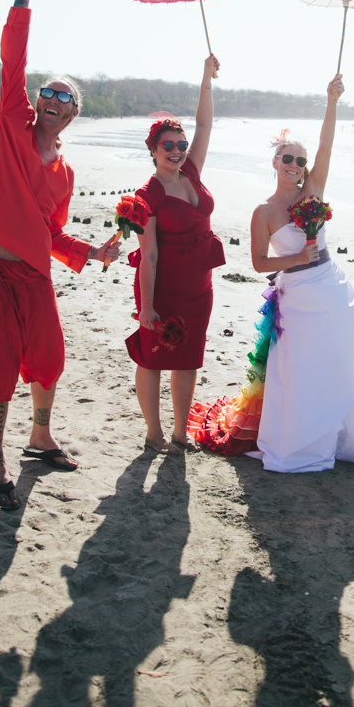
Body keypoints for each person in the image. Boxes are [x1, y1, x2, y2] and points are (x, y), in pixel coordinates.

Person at [0, 0, 121, 511]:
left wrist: (93, 253)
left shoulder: (64, 170)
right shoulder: (9, 125)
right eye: (47, 91)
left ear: (74, 112)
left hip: (33, 275)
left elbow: (50, 234)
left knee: (48, 355)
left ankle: (39, 436)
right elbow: (14, 57)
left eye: (63, 96)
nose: (51, 98)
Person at [242, 74, 354, 473]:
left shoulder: (313, 193)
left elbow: (327, 145)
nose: (295, 165)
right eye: (287, 158)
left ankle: (341, 439)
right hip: (297, 297)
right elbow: (258, 264)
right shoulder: (264, 212)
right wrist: (297, 259)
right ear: (275, 163)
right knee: (300, 371)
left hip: (332, 288)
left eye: (300, 161)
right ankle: (302, 443)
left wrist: (331, 101)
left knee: (337, 362)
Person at [125, 60, 225, 455]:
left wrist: (205, 80)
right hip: (162, 289)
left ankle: (180, 433)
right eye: (168, 146)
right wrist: (146, 308)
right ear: (153, 150)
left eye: (181, 146)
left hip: (199, 287)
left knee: (188, 360)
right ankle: (154, 433)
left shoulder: (193, 173)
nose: (178, 151)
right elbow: (147, 256)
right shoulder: (146, 195)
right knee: (152, 359)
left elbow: (204, 126)